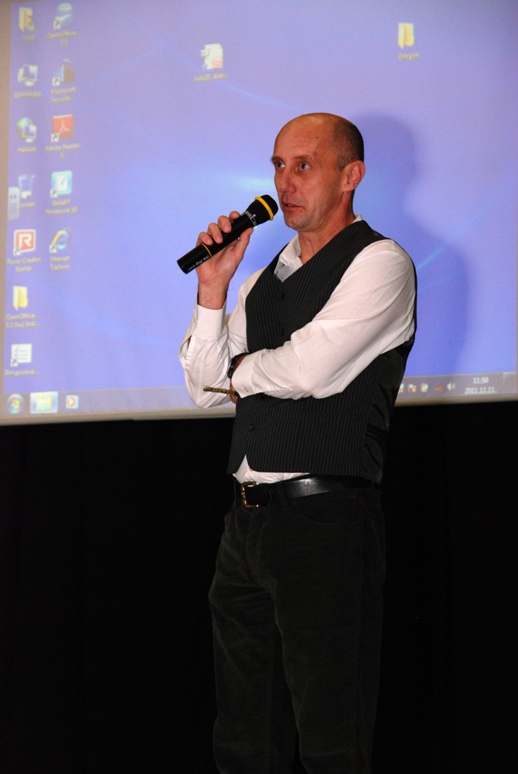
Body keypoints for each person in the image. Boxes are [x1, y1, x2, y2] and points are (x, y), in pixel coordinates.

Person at [179, 112, 416, 773]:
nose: (284, 182)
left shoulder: (381, 263)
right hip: (245, 525)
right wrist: (212, 289)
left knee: (331, 737)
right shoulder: (260, 282)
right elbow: (202, 387)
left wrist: (237, 375)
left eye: (303, 166)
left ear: (351, 175)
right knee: (242, 736)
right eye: (278, 166)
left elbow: (311, 370)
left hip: (326, 522)